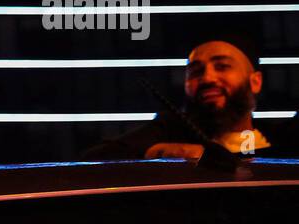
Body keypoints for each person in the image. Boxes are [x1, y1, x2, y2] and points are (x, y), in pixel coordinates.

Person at [87, 27, 299, 160]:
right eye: (196, 71)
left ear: (255, 82)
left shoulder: (285, 141)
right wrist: (168, 152)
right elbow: (95, 157)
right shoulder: (169, 131)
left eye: (222, 67)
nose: (207, 78)